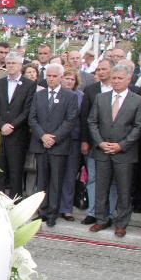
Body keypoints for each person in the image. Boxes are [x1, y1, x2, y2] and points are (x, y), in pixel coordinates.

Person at [87, 64, 141, 237]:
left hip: (125, 153)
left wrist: (121, 145)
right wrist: (100, 143)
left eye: (120, 78)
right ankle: (101, 219)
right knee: (101, 187)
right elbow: (92, 122)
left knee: (124, 189)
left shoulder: (138, 100)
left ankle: (121, 223)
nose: (116, 81)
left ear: (129, 79)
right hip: (102, 151)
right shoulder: (101, 98)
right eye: (114, 78)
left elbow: (139, 126)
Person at [28, 63, 79, 227]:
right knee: (41, 180)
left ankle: (52, 213)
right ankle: (42, 211)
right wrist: (42, 136)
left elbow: (70, 120)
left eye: (54, 76)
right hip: (41, 143)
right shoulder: (39, 95)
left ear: (61, 77)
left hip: (59, 146)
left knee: (56, 181)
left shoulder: (70, 96)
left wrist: (54, 138)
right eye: (48, 76)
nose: (50, 78)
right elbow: (32, 118)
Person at [0, 52, 36, 198]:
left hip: (17, 135)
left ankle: (15, 201)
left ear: (20, 66)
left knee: (16, 171)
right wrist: (2, 125)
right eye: (8, 63)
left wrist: (12, 126)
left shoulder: (29, 85)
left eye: (14, 63)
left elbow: (27, 110)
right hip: (0, 134)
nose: (10, 66)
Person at [80, 59, 117, 225]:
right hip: (96, 143)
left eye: (104, 69)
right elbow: (85, 118)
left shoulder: (122, 89)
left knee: (114, 181)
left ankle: (109, 213)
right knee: (93, 178)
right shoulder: (91, 90)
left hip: (117, 145)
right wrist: (85, 141)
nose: (101, 72)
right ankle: (93, 212)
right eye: (98, 70)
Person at [58, 70, 85, 221]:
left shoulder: (80, 96)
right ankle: (52, 205)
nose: (69, 82)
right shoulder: (56, 94)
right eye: (66, 78)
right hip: (57, 140)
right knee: (55, 175)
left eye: (72, 79)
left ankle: (66, 208)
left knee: (70, 175)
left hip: (73, 140)